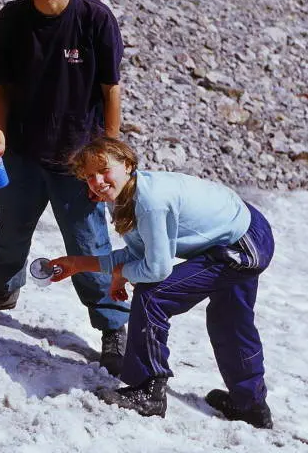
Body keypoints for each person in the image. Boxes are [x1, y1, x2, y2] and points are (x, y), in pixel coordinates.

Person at [0, 0, 130, 376]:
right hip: (22, 153)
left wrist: (107, 155)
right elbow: (3, 89)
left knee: (88, 242)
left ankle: (112, 324)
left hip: (78, 160)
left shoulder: (95, 19)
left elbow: (110, 90)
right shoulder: (12, 18)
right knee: (10, 230)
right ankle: (3, 289)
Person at [49, 137, 275, 428]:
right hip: (238, 230)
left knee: (154, 295)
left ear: (128, 165)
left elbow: (156, 269)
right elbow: (138, 252)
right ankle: (251, 405)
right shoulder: (124, 196)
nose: (97, 181)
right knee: (230, 319)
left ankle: (148, 390)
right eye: (89, 176)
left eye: (104, 170)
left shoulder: (150, 201)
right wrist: (79, 264)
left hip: (242, 244)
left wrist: (122, 273)